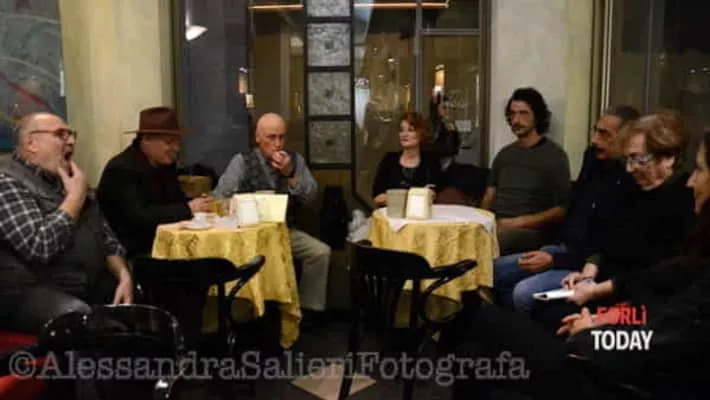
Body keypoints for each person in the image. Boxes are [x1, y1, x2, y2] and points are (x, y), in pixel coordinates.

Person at [451, 131, 710, 399]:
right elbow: (651, 295)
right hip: (619, 338)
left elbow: (660, 340)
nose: (692, 181)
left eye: (700, 170)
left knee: (485, 325)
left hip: (621, 379)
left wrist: (593, 333)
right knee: (473, 350)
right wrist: (604, 317)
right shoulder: (694, 251)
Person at [494, 105, 640, 310]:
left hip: (587, 266)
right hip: (563, 249)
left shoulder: (632, 180)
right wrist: (551, 252)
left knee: (523, 292)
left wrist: (555, 260)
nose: (594, 140)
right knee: (494, 271)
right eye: (595, 131)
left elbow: (603, 248)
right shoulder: (594, 158)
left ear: (628, 139)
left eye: (604, 135)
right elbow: (574, 209)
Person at [0, 112, 133, 335]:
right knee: (77, 317)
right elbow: (40, 246)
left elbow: (107, 238)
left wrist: (123, 275)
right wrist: (75, 198)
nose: (70, 141)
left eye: (72, 135)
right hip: (27, 291)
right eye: (61, 134)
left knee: (137, 310)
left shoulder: (69, 179)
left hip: (82, 282)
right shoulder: (7, 181)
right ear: (31, 143)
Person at [213, 113, 331, 314]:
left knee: (320, 253)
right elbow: (219, 197)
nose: (278, 144)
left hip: (284, 232)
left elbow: (311, 197)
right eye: (271, 137)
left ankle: (307, 311)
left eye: (282, 137)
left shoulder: (295, 161)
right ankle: (247, 311)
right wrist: (238, 204)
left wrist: (290, 174)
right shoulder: (242, 161)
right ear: (258, 138)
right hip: (249, 236)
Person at [96, 106, 212, 258]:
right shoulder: (122, 169)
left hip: (165, 245)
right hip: (133, 253)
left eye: (178, 142)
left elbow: (176, 201)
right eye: (169, 142)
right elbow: (140, 217)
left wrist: (199, 205)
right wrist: (188, 209)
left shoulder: (165, 165)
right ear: (146, 140)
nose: (176, 148)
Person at [480, 87, 571, 255]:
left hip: (529, 231)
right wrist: (483, 221)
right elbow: (489, 196)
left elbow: (561, 209)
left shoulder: (554, 155)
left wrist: (519, 222)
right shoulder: (505, 154)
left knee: (493, 240)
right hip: (497, 224)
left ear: (537, 116)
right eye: (513, 114)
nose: (516, 120)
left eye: (523, 114)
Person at [371, 111, 443, 206]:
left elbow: (434, 194)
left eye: (410, 130)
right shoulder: (389, 160)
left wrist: (395, 197)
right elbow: (377, 197)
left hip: (421, 213)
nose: (404, 134)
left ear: (421, 133)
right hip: (393, 213)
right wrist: (412, 196)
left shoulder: (431, 161)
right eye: (401, 130)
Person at [429, 94, 460, 171]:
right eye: (444, 107)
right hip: (434, 166)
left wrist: (452, 132)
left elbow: (455, 148)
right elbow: (436, 148)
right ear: (436, 108)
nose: (447, 111)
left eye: (449, 108)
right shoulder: (431, 125)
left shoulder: (448, 124)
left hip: (448, 165)